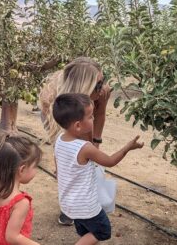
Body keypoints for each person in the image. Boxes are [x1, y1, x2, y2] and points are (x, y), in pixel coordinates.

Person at [53, 93, 144, 245]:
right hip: (86, 206)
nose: (94, 119)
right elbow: (110, 161)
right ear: (77, 125)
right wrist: (128, 147)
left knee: (87, 233)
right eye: (90, 117)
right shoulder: (85, 148)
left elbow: (58, 169)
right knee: (102, 231)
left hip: (68, 203)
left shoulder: (59, 139)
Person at [39, 57, 111, 225]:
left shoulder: (99, 94)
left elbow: (97, 125)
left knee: (88, 161)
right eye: (98, 85)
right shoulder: (54, 101)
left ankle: (84, 205)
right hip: (57, 116)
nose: (102, 88)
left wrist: (95, 143)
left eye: (103, 81)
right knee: (69, 162)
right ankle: (68, 208)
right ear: (84, 85)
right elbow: (62, 143)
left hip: (82, 110)